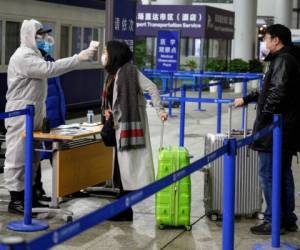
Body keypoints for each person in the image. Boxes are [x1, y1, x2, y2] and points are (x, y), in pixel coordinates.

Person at [4, 19, 98, 214]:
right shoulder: (22, 56)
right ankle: (16, 200)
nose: (44, 38)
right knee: (18, 158)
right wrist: (78, 58)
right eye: (40, 34)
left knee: (33, 157)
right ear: (29, 35)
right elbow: (49, 70)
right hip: (21, 114)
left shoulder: (36, 54)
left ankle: (30, 197)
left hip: (35, 113)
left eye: (44, 33)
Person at [234, 24, 300, 235]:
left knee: (268, 174)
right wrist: (247, 98)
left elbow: (277, 92)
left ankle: (273, 220)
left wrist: (263, 118)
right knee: (283, 173)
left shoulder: (282, 60)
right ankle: (287, 219)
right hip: (287, 127)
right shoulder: (289, 58)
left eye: (266, 38)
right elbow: (269, 90)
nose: (265, 42)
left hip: (275, 129)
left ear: (277, 40)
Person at [101, 41, 167, 221]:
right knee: (122, 170)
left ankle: (123, 210)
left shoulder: (129, 72)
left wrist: (160, 109)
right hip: (119, 128)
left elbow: (152, 87)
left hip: (129, 129)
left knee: (127, 170)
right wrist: (110, 112)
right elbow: (115, 101)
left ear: (114, 54)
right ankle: (123, 210)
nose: (104, 55)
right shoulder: (115, 74)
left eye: (106, 52)